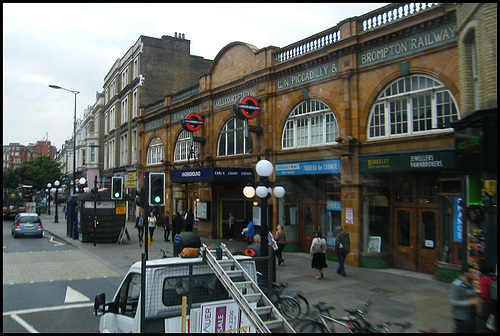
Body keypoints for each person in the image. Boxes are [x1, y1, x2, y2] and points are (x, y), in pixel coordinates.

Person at [450, 263, 482, 333]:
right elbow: (453, 301)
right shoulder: (457, 285)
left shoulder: (472, 283)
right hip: (462, 318)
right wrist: (469, 302)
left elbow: (471, 293)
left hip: (472, 316)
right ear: (465, 273)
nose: (474, 275)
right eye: (472, 273)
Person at [478, 265, 497, 332]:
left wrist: (480, 300)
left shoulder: (485, 278)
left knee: (482, 321)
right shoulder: (495, 277)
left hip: (489, 304)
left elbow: (483, 294)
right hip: (496, 303)